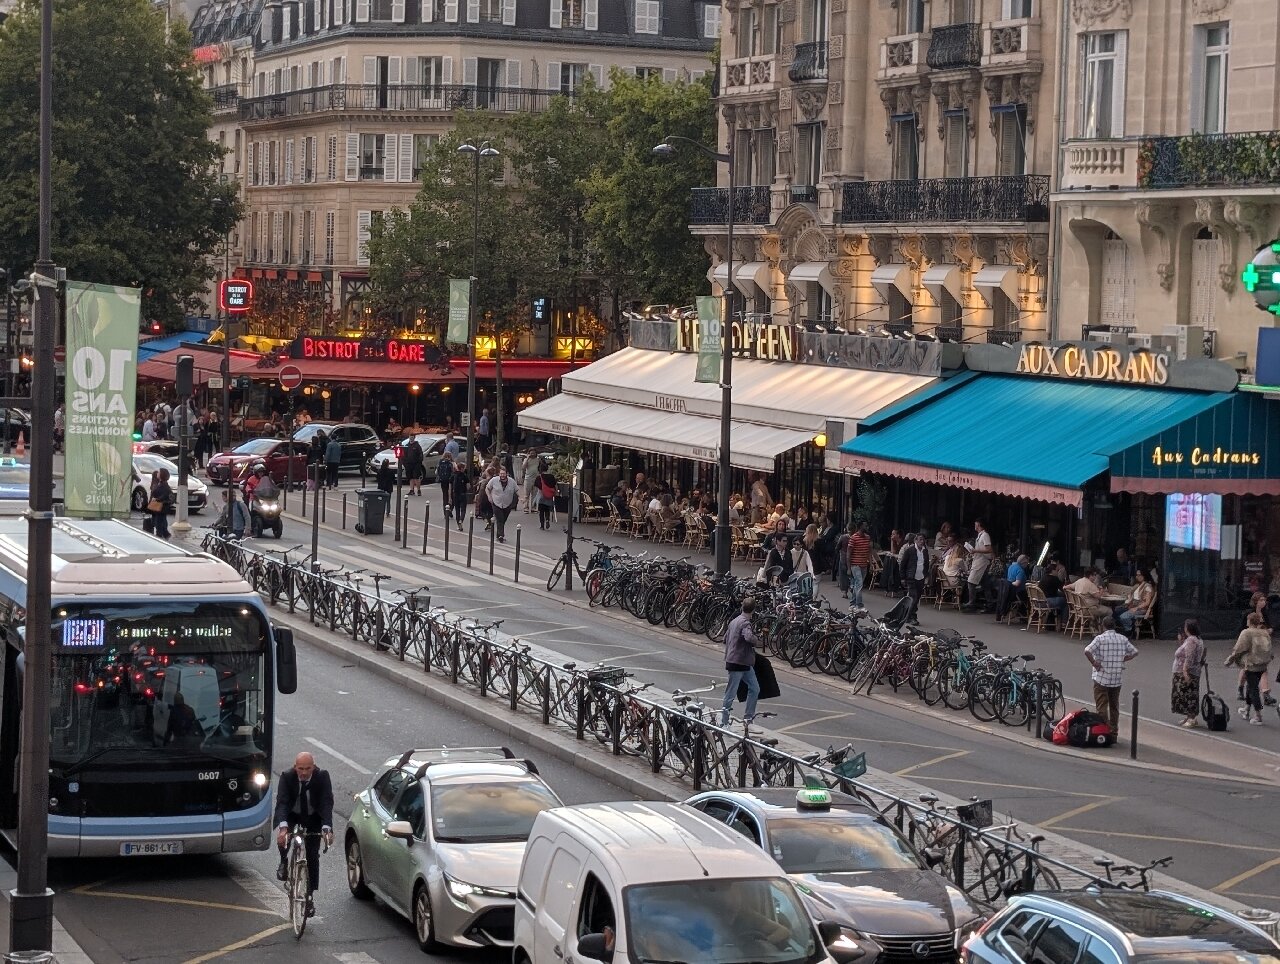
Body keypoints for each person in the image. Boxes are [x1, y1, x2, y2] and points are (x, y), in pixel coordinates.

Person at [274, 751, 334, 917]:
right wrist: (283, 828)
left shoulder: (322, 776)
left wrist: (327, 827)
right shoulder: (287, 776)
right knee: (284, 839)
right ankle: (283, 861)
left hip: (313, 817)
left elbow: (326, 802)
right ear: (295, 767)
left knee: (313, 856)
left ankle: (309, 896)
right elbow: (282, 802)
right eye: (301, 768)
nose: (304, 772)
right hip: (293, 814)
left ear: (313, 767)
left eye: (308, 768)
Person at [1084, 616, 1138, 733]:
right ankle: (1113, 731)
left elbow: (1087, 650)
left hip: (1101, 677)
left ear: (1103, 626)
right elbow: (1135, 652)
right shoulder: (1122, 639)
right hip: (1116, 678)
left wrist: (1094, 663)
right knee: (1114, 706)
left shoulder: (1100, 639)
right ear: (1114, 626)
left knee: (1102, 706)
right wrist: (1123, 659)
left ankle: (1104, 730)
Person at [1226, 612, 1273, 726]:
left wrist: (1230, 660)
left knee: (1253, 689)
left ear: (1249, 621)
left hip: (1251, 664)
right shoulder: (1265, 633)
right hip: (1262, 664)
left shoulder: (1247, 633)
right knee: (1251, 686)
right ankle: (1246, 709)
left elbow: (1239, 648)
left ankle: (1258, 715)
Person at [721, 597, 761, 726]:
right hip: (738, 663)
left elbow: (725, 638)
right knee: (731, 693)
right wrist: (756, 640)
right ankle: (724, 722)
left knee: (755, 688)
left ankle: (748, 718)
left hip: (742, 662)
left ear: (742, 607)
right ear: (753, 610)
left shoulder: (734, 621)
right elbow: (749, 637)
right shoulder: (745, 623)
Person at [1238, 592, 1277, 706]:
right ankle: (1240, 688)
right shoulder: (1248, 613)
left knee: (1263, 669)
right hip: (1250, 644)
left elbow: (1270, 626)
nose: (1263, 602)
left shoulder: (1265, 613)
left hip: (1262, 645)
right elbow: (1242, 629)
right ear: (1255, 601)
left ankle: (1266, 694)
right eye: (1260, 600)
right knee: (1247, 668)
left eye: (1264, 600)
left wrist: (1269, 630)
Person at [1171, 619, 1205, 727]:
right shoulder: (1197, 639)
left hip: (1187, 671)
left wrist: (1185, 671)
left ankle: (1191, 718)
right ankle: (1188, 716)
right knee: (1186, 693)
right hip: (1193, 670)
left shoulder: (1191, 640)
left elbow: (1189, 656)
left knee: (1188, 693)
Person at [962, 519, 994, 612]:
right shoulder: (979, 536)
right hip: (979, 560)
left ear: (979, 525)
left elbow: (989, 549)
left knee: (971, 581)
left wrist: (976, 551)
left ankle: (971, 603)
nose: (974, 526)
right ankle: (990, 604)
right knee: (985, 584)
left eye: (975, 524)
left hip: (982, 562)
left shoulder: (985, 535)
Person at [900, 532, 930, 623]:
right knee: (914, 597)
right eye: (920, 539)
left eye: (923, 539)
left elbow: (926, 564)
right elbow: (903, 564)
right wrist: (902, 577)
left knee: (917, 598)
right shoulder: (910, 550)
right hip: (911, 577)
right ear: (915, 540)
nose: (922, 541)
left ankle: (907, 614)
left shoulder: (925, 551)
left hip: (920, 577)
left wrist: (925, 575)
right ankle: (911, 617)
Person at [1115, 568, 1155, 633]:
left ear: (1144, 575)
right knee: (1117, 610)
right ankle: (1122, 627)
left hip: (1141, 609)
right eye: (1137, 575)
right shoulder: (1137, 585)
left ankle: (1129, 630)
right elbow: (1131, 595)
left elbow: (1147, 602)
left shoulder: (1147, 587)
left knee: (1124, 616)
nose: (1138, 577)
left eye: (1140, 575)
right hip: (1132, 606)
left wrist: (1136, 608)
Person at [995, 554, 1031, 623]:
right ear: (1024, 563)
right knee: (1029, 599)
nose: (1027, 565)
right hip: (1016, 593)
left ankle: (1021, 614)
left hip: (1008, 591)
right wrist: (1010, 584)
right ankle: (1024, 616)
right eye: (1027, 563)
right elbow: (1017, 583)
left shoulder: (1011, 566)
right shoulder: (1020, 571)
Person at [485, 466, 518, 542]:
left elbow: (516, 490)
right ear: (499, 474)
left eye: (504, 474)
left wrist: (522, 498)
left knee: (503, 519)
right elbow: (487, 488)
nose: (502, 475)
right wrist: (489, 496)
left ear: (507, 474)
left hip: (507, 503)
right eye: (501, 474)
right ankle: (501, 535)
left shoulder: (511, 481)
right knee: (500, 519)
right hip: (496, 502)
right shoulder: (494, 480)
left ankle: (498, 534)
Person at [846, 523, 871, 608]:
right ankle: (859, 605)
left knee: (857, 584)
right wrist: (849, 568)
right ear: (860, 527)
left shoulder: (867, 538)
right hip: (855, 565)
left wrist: (871, 564)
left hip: (864, 564)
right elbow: (848, 554)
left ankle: (852, 603)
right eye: (865, 526)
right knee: (859, 584)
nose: (867, 527)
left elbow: (869, 551)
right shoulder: (853, 538)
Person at [149, 468, 173, 541]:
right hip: (158, 507)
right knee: (160, 521)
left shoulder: (164, 485)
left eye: (159, 472)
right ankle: (165, 534)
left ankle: (160, 537)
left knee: (159, 522)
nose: (157, 473)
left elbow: (165, 495)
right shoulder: (159, 483)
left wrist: (157, 499)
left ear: (162, 475)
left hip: (161, 507)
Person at [535, 462, 558, 531]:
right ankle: (547, 519)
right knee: (547, 509)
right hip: (549, 496)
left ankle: (542, 525)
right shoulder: (551, 476)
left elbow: (537, 486)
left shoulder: (539, 477)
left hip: (541, 495)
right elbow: (555, 485)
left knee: (541, 511)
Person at [450, 464, 469, 531]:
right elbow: (468, 485)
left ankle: (458, 524)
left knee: (457, 510)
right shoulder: (464, 475)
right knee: (463, 509)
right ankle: (461, 520)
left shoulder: (453, 475)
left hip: (455, 494)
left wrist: (450, 496)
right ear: (461, 468)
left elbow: (450, 486)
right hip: (463, 494)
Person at [438, 451, 456, 516]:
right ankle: (450, 509)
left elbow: (436, 472)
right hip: (450, 481)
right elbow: (455, 471)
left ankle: (445, 511)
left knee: (445, 496)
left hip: (443, 481)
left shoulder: (440, 462)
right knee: (452, 496)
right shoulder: (452, 463)